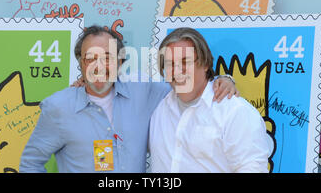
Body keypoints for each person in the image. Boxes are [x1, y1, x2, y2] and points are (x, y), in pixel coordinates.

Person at [19, 26, 238, 173]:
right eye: (90, 59)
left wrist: (221, 79)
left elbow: (183, 84)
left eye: (107, 58)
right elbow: (30, 163)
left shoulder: (143, 92)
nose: (99, 66)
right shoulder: (58, 107)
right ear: (81, 63)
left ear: (120, 62)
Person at [149, 27, 270, 173]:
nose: (177, 71)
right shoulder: (158, 106)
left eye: (185, 62)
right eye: (170, 64)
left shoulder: (234, 111)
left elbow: (252, 168)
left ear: (205, 64)